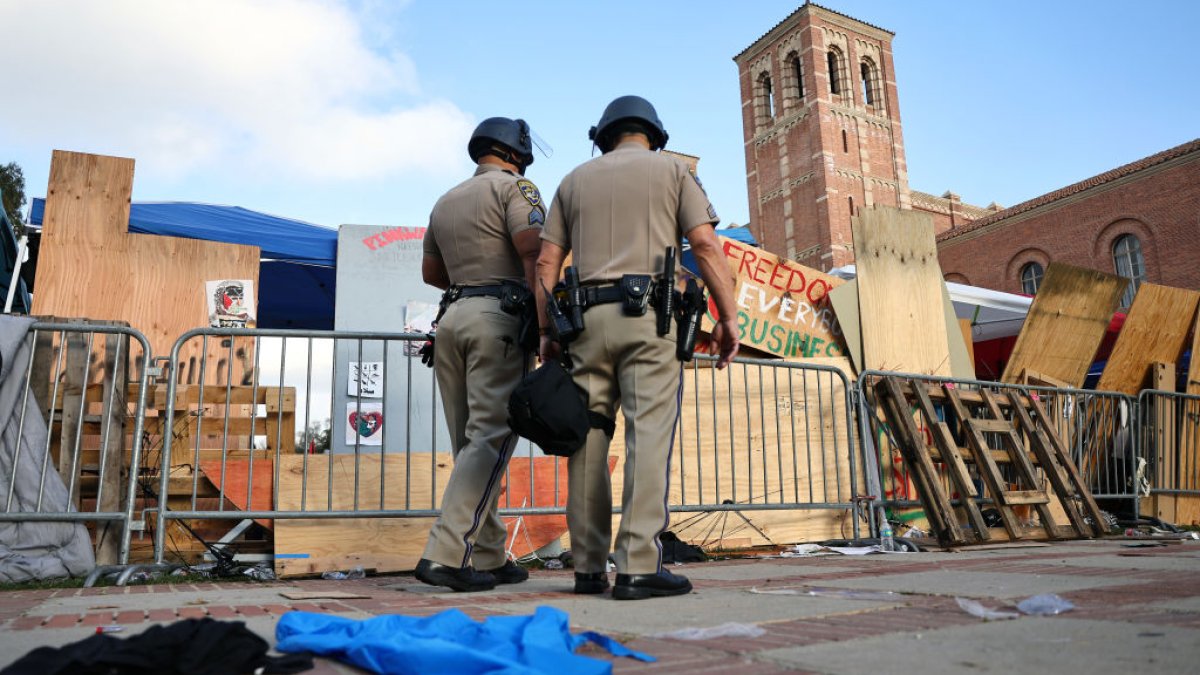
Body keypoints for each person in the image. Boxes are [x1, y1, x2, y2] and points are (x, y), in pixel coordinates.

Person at [535, 96, 739, 600]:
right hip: (650, 321)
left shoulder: (573, 180)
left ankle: (586, 567)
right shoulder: (673, 173)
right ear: (654, 134)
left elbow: (546, 263)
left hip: (584, 325)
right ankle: (638, 566)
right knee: (648, 437)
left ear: (603, 135)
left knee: (588, 438)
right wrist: (728, 316)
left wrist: (546, 333)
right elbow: (707, 247)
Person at [415, 117, 545, 592]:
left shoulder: (445, 199)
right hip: (500, 318)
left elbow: (431, 272)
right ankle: (446, 555)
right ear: (517, 152)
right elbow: (534, 253)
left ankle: (487, 552)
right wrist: (547, 325)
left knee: (470, 441)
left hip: (451, 318)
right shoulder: (519, 189)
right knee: (491, 437)